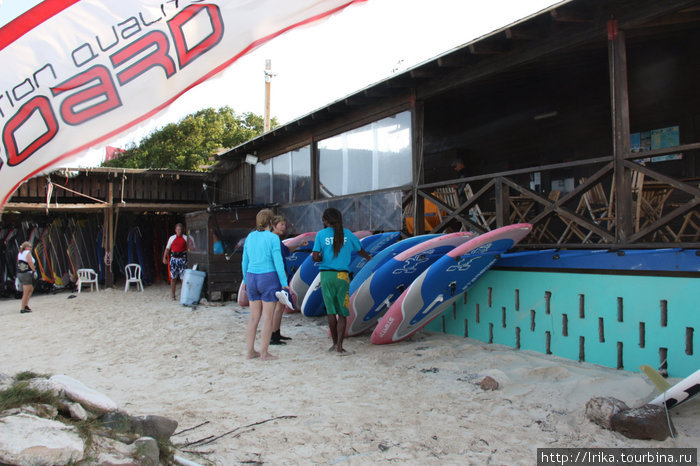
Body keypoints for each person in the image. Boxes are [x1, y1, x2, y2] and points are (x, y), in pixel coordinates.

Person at [312, 208, 371, 354]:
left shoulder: (321, 235)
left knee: (331, 312)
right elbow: (361, 251)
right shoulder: (348, 234)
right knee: (342, 313)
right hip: (342, 277)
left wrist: (321, 258)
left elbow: (314, 257)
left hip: (326, 276)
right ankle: (340, 346)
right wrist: (370, 259)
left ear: (325, 221)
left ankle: (333, 345)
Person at [241, 209, 289, 360]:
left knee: (253, 318)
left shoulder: (250, 237)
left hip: (251, 277)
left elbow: (244, 261)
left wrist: (245, 280)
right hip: (268, 277)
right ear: (271, 221)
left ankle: (250, 351)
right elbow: (278, 262)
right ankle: (264, 353)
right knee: (267, 317)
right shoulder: (273, 239)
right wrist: (284, 283)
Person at [270, 215, 293, 345]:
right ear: (274, 225)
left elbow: (287, 251)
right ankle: (273, 336)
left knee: (280, 305)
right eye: (281, 225)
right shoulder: (275, 240)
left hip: (276, 275)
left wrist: (300, 245)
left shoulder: (277, 240)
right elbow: (278, 260)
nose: (284, 227)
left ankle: (276, 332)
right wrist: (283, 278)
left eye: (284, 224)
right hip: (278, 276)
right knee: (278, 305)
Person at [163, 223, 189, 300]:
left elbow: (190, 249)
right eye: (178, 229)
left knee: (183, 278)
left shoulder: (186, 238)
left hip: (182, 259)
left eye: (180, 229)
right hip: (174, 259)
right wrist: (164, 257)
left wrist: (188, 260)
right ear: (175, 230)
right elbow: (167, 248)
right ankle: (173, 296)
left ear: (183, 230)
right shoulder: (172, 238)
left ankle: (183, 295)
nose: (179, 231)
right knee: (173, 278)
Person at [16, 241, 37, 314]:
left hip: (21, 274)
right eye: (30, 246)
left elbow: (18, 263)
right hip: (26, 274)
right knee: (26, 292)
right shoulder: (27, 253)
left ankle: (26, 305)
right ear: (26, 247)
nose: (30, 248)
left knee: (30, 289)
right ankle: (23, 307)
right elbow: (30, 263)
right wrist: (34, 271)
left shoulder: (20, 253)